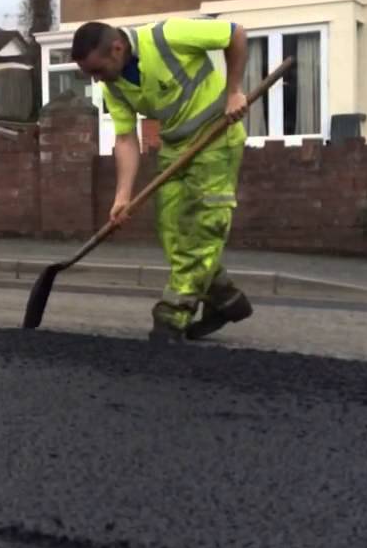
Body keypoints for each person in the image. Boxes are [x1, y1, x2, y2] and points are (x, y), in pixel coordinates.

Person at [71, 18, 252, 344]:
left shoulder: (168, 36)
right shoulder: (114, 86)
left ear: (117, 49)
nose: (96, 80)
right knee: (171, 229)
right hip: (175, 147)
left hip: (216, 139)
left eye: (97, 70)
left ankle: (174, 312)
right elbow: (125, 139)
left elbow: (235, 34)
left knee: (203, 227)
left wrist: (234, 91)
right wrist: (122, 197)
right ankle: (225, 298)